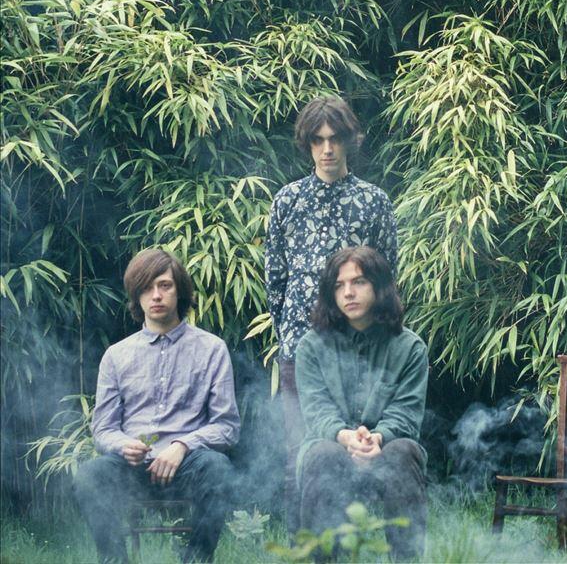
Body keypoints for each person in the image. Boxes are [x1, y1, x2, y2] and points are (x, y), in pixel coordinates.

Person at [265, 95, 398, 532]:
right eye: (318, 140)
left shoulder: (374, 201)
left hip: (359, 352)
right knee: (299, 454)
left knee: (358, 450)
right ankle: (302, 549)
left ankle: (358, 542)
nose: (327, 149)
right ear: (307, 144)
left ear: (349, 141)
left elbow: (386, 277)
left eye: (334, 139)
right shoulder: (287, 200)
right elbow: (276, 280)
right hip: (299, 349)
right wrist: (291, 332)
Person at [73, 248, 242, 564]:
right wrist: (124, 445)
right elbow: (103, 429)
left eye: (165, 285)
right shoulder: (116, 356)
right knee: (90, 475)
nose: (156, 295)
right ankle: (114, 561)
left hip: (189, 465)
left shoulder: (212, 349)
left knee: (218, 468)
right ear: (136, 296)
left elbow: (227, 426)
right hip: (133, 467)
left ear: (180, 291)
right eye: (147, 288)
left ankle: (196, 559)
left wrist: (182, 446)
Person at [295, 246, 428, 562]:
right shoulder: (311, 346)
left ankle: (407, 560)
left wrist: (377, 438)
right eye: (339, 285)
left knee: (404, 451)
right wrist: (345, 437)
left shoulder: (410, 348)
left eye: (359, 282)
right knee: (323, 454)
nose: (348, 293)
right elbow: (316, 410)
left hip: (387, 448)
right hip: (331, 445)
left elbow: (406, 413)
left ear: (379, 287)